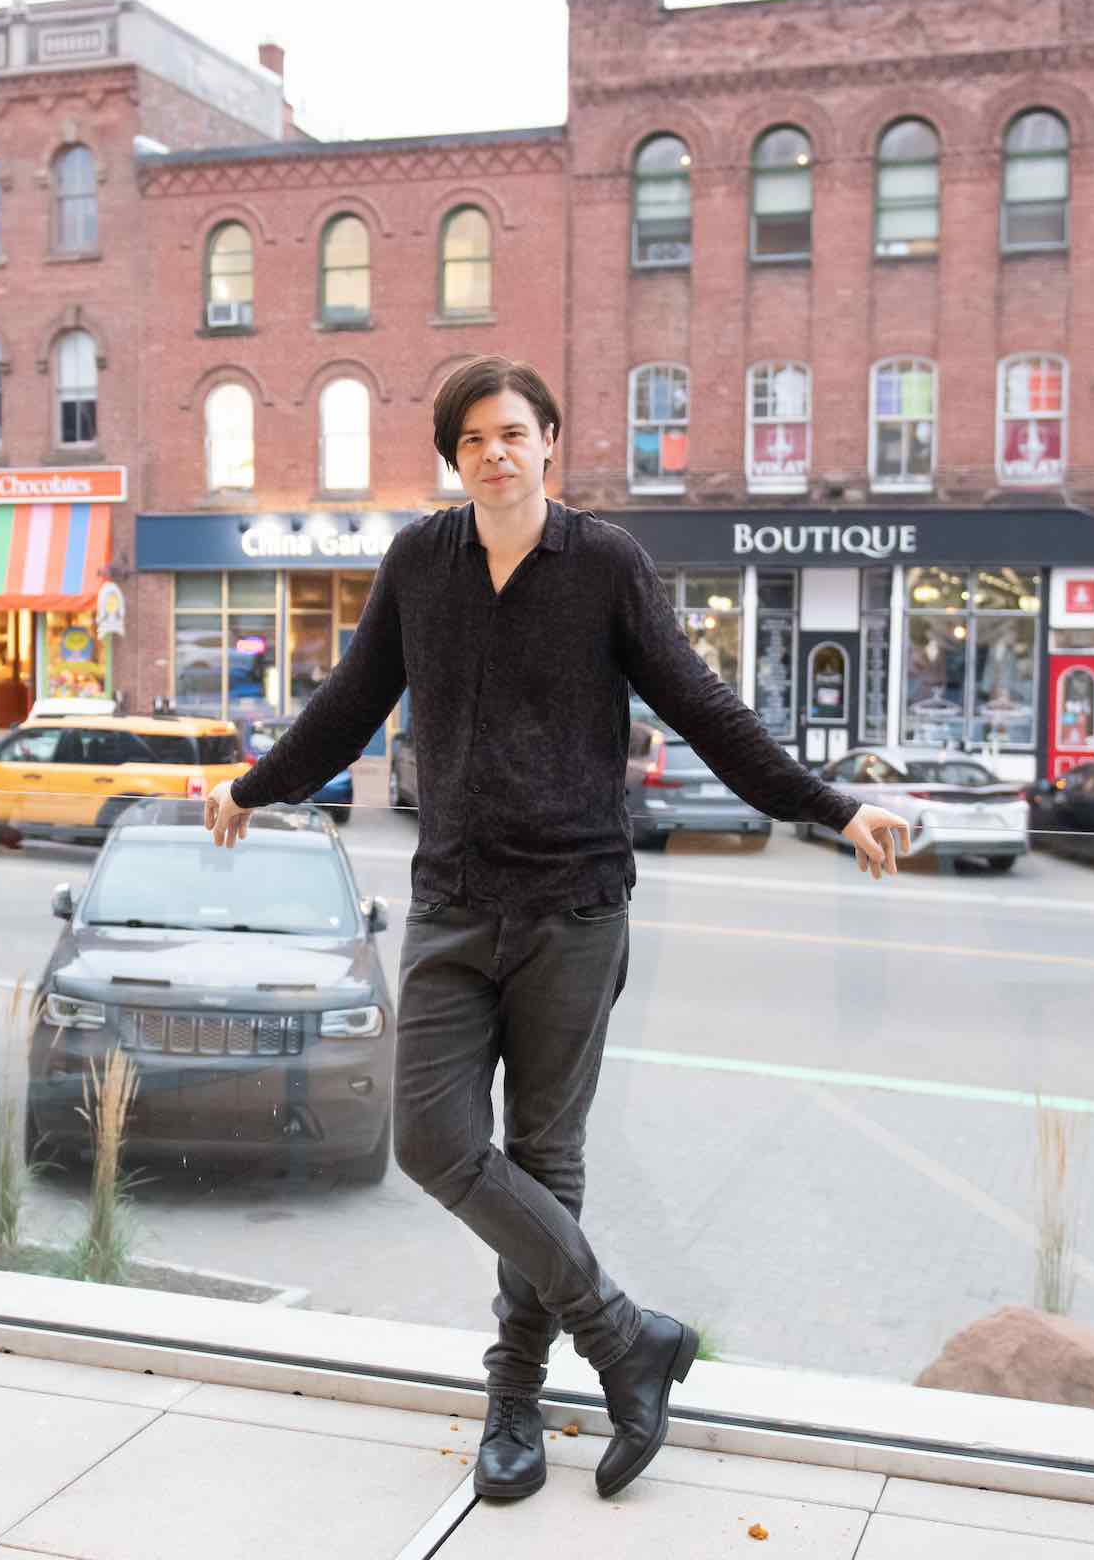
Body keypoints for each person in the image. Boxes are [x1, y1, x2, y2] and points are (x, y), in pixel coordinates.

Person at [204, 355, 910, 1504]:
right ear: (454, 457)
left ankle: (515, 1400)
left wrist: (830, 804)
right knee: (431, 1140)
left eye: (513, 432)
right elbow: (349, 702)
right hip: (452, 905)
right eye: (473, 437)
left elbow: (703, 705)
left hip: (575, 907)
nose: (494, 452)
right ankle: (624, 1336)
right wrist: (254, 782)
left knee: (546, 1157)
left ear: (548, 443)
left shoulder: (606, 565)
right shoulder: (419, 563)